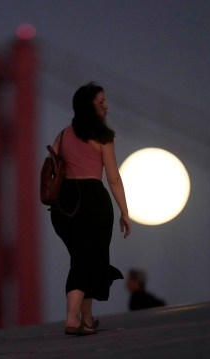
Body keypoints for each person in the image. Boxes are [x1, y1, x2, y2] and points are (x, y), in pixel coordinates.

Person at [50, 81, 132, 336]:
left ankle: (86, 320)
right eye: (101, 102)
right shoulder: (103, 137)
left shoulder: (62, 135)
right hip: (92, 201)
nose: (107, 106)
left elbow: (52, 166)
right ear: (89, 107)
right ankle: (72, 319)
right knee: (86, 261)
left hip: (63, 205)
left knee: (82, 260)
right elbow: (114, 177)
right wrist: (125, 211)